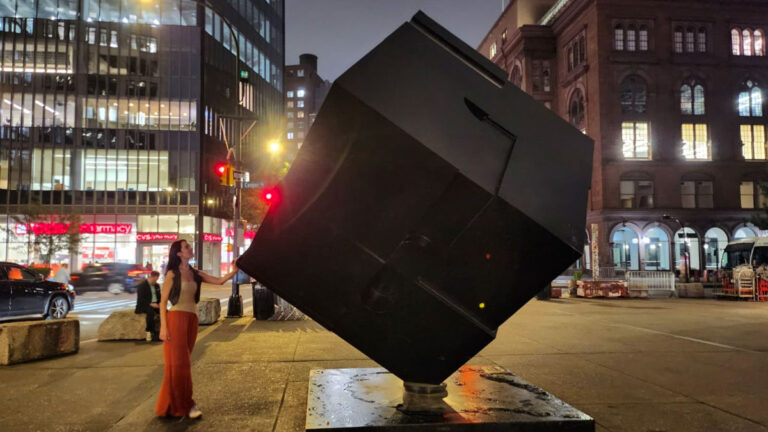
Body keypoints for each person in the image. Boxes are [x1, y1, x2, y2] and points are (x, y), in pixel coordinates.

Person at [155, 239, 239, 419]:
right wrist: (163, 327)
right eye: (186, 247)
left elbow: (219, 281)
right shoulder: (172, 274)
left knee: (179, 364)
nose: (190, 249)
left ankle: (169, 404)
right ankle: (188, 405)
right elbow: (162, 302)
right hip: (175, 319)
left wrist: (233, 271)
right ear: (179, 253)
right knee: (180, 365)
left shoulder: (195, 273)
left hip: (192, 320)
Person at [135, 271, 162, 342]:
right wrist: (150, 304)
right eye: (155, 279)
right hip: (145, 305)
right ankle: (149, 331)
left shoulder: (157, 285)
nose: (155, 281)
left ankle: (161, 331)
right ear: (151, 277)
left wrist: (160, 304)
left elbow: (159, 297)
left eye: (157, 280)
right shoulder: (142, 286)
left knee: (165, 312)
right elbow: (141, 299)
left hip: (155, 304)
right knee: (150, 312)